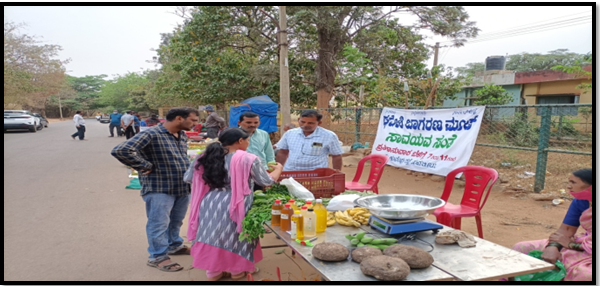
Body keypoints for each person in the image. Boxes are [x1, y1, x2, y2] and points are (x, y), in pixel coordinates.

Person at [184, 128, 283, 281]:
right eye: (248, 140)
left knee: (212, 234)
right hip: (238, 203)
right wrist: (279, 169)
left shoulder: (204, 157)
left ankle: (213, 272)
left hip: (210, 202)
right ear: (240, 141)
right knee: (237, 235)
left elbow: (189, 177)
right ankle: (237, 271)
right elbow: (266, 181)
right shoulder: (248, 158)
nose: (248, 143)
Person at [111, 107, 200, 272]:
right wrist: (144, 166)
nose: (196, 123)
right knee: (158, 223)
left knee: (176, 220)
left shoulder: (181, 135)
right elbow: (121, 150)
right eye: (193, 120)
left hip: (181, 186)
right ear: (179, 118)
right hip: (159, 188)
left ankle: (174, 245)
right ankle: (157, 256)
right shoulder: (152, 134)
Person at [508, 168, 592, 281]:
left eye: (573, 182)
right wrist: (552, 247)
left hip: (586, 249)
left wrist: (572, 246)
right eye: (569, 182)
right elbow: (566, 230)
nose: (568, 186)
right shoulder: (580, 201)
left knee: (586, 275)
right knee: (521, 247)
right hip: (584, 243)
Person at [275, 110, 343, 171]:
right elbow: (283, 152)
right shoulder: (290, 134)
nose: (305, 125)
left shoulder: (329, 136)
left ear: (319, 123)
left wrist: (336, 172)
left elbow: (336, 156)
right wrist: (278, 170)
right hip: (291, 172)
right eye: (302, 122)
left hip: (316, 174)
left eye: (310, 123)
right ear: (299, 120)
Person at [237, 112, 275, 191]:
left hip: (260, 170)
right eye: (248, 122)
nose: (253, 125)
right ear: (239, 123)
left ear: (259, 123)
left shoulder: (263, 134)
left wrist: (271, 167)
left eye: (256, 122)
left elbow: (269, 153)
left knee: (258, 195)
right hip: (240, 171)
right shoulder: (232, 135)